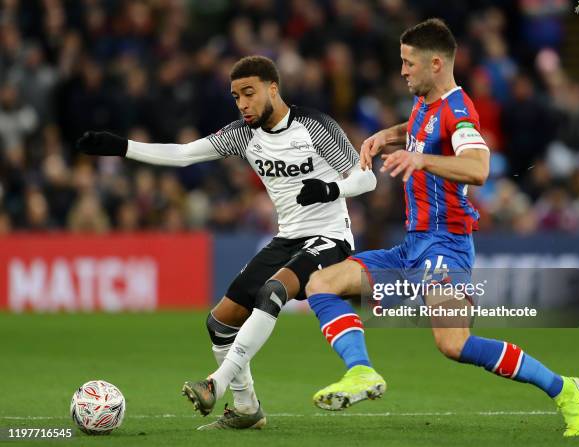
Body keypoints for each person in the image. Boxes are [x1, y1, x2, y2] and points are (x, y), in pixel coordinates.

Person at [304, 19, 579, 437]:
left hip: (447, 245)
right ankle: (362, 372)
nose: (401, 71)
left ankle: (565, 388)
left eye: (408, 63)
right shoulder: (425, 102)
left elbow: (479, 167)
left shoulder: (459, 110)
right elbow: (420, 131)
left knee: (453, 344)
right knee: (321, 284)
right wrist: (389, 135)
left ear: (435, 64)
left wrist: (422, 161)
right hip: (412, 246)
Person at [76, 55, 386, 430]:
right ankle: (245, 408)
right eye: (236, 96)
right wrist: (122, 147)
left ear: (273, 89)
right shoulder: (244, 134)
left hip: (330, 238)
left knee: (273, 290)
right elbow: (185, 154)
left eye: (249, 93)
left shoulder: (313, 127)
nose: (242, 104)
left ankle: (216, 382)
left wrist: (330, 188)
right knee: (220, 321)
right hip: (287, 239)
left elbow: (366, 179)